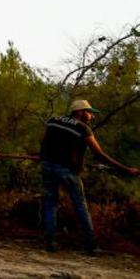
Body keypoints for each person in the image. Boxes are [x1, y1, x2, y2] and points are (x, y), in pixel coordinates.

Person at [39, 99, 140, 253]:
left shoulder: (53, 120)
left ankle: (50, 243)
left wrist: (44, 158)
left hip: (47, 166)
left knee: (50, 204)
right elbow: (99, 154)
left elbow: (44, 141)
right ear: (79, 112)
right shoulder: (83, 129)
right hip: (67, 171)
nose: (91, 116)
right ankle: (91, 245)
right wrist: (126, 170)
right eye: (89, 112)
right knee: (80, 206)